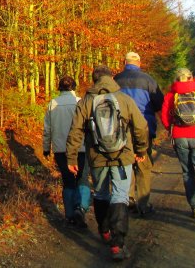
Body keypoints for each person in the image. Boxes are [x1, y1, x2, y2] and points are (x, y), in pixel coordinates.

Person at [66, 65, 149, 262]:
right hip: (122, 156)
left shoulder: (86, 101)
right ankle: (117, 244)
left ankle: (104, 230)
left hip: (97, 157)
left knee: (101, 193)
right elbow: (141, 126)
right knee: (120, 195)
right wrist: (141, 150)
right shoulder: (124, 99)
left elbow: (75, 130)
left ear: (94, 80)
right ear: (112, 78)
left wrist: (71, 158)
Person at [161, 67, 195, 222]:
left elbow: (165, 117)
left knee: (187, 172)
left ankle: (194, 208)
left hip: (180, 137)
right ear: (191, 77)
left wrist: (172, 130)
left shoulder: (171, 95)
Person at [113, 50, 163, 215]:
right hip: (144, 127)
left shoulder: (116, 80)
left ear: (124, 63)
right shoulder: (148, 80)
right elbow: (158, 103)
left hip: (121, 128)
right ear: (139, 63)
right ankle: (143, 205)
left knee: (126, 162)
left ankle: (128, 199)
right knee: (143, 164)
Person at [43, 75, 91, 227]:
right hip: (80, 148)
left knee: (68, 181)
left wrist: (46, 148)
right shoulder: (80, 102)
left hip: (60, 149)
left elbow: (47, 129)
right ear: (74, 86)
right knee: (82, 179)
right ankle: (81, 208)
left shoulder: (52, 104)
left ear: (59, 87)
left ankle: (70, 215)